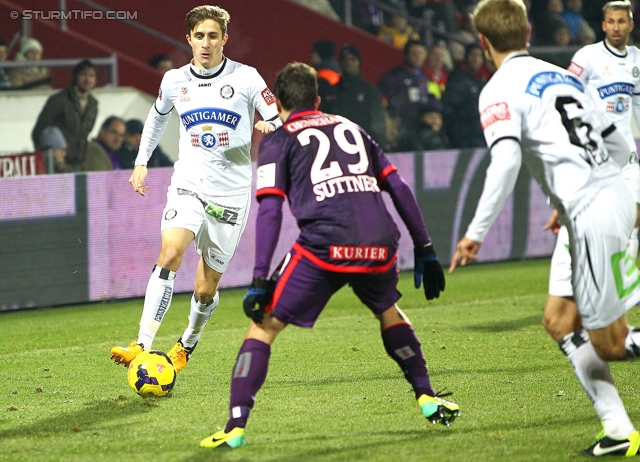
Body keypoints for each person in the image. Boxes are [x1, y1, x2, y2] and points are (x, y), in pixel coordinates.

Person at [199, 62, 456, 450]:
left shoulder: (279, 138)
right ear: (317, 100)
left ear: (279, 103)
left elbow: (270, 209)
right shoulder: (352, 127)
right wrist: (426, 248)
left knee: (264, 326)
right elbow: (398, 186)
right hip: (379, 242)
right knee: (389, 311)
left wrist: (259, 280)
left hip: (323, 246)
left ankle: (235, 425)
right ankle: (426, 395)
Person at [449, 0, 640, 456]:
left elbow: (506, 160)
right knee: (558, 321)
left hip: (591, 211)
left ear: (483, 42)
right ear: (529, 31)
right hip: (598, 203)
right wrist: (581, 193)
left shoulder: (497, 89)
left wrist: (475, 233)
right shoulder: (563, 74)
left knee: (612, 343)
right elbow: (617, 141)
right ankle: (618, 431)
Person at [109, 5, 281, 373]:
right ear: (188, 39)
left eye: (213, 36)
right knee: (170, 252)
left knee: (205, 289)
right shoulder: (174, 80)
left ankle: (188, 341)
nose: (206, 43)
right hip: (188, 183)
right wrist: (141, 162)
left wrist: (269, 127)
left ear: (224, 40)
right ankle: (141, 344)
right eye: (199, 36)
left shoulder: (247, 77)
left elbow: (276, 118)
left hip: (230, 195)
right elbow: (156, 118)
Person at [541, 0, 640, 456]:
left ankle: (618, 430)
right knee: (569, 321)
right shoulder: (583, 62)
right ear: (602, 25)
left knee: (585, 327)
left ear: (630, 25)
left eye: (624, 20)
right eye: (611, 21)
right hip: (598, 176)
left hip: (617, 175)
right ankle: (618, 431)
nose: (617, 27)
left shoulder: (638, 62)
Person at [31, 59, 98, 173]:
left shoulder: (93, 104)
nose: (87, 79)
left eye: (91, 76)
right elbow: (38, 132)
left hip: (78, 165)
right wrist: (49, 160)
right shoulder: (58, 100)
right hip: (56, 167)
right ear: (75, 77)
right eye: (83, 75)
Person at [320, 44, 389, 149]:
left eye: (353, 59)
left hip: (362, 146)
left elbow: (378, 125)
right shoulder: (330, 92)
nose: (348, 62)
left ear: (359, 63)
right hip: (335, 147)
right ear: (340, 63)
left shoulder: (370, 92)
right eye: (345, 59)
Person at [378, 40, 433, 151]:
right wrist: (389, 122)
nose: (418, 57)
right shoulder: (393, 76)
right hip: (400, 129)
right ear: (406, 55)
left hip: (420, 126)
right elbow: (382, 103)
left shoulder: (424, 76)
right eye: (414, 53)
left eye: (421, 53)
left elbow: (429, 98)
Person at [441, 43, 489, 149]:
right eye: (473, 55)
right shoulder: (457, 78)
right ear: (466, 57)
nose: (476, 58)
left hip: (480, 135)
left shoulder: (482, 80)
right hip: (463, 137)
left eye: (479, 55)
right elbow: (450, 107)